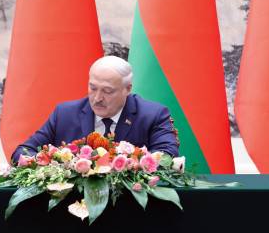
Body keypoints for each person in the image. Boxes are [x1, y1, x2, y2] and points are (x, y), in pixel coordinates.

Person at [11, 56, 179, 163]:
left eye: (107, 91)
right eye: (93, 88)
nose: (97, 98)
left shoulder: (152, 115)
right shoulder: (64, 114)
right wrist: (47, 163)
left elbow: (166, 156)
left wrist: (129, 165)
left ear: (127, 89)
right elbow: (22, 151)